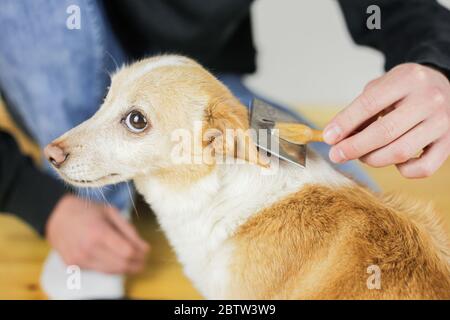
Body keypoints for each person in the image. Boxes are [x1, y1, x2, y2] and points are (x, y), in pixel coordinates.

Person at [0, 0, 448, 298]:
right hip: (66, 59)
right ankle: (104, 208)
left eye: (135, 122)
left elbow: (395, 5)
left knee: (326, 171)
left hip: (206, 85)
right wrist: (42, 204)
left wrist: (438, 65)